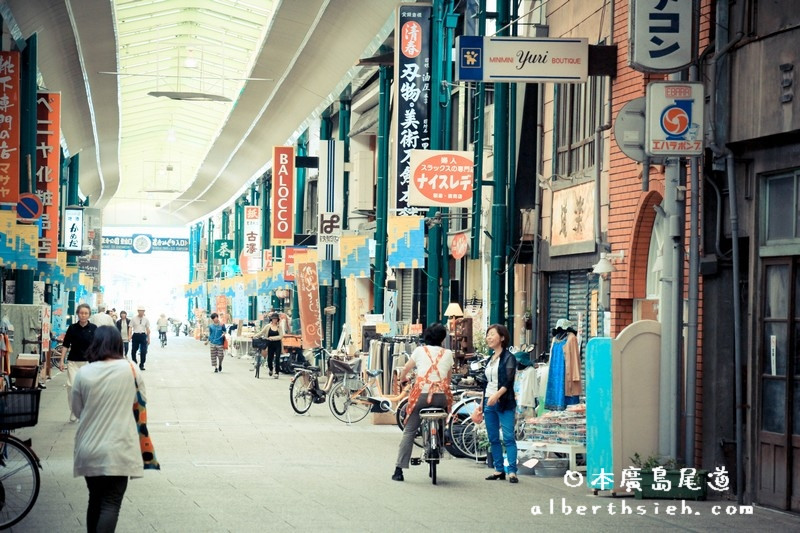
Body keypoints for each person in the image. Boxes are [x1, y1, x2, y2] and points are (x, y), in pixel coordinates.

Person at [71, 325, 144, 532]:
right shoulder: (131, 369)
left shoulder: (84, 373)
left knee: (94, 499)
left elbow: (77, 410)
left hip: (89, 447)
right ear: (118, 344)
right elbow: (141, 404)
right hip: (119, 447)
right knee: (111, 503)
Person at [392, 323, 454, 482]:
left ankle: (399, 469)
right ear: (442, 338)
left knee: (410, 430)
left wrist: (402, 378)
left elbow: (406, 368)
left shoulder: (420, 351)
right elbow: (448, 378)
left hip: (421, 395)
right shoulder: (448, 354)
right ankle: (439, 443)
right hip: (441, 396)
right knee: (441, 417)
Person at [474, 323, 519, 484]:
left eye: (492, 334)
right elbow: (486, 384)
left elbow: (508, 381)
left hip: (504, 401)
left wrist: (497, 395)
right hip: (488, 401)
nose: (488, 337)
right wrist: (481, 403)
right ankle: (499, 469)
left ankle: (512, 471)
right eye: (487, 335)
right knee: (493, 437)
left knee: (508, 437)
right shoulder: (490, 359)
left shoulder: (509, 358)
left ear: (502, 337)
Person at [60, 303, 98, 423]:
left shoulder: (94, 328)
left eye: (86, 313)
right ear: (78, 313)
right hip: (73, 362)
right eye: (81, 313)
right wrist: (61, 360)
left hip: (88, 363)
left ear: (89, 315)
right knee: (71, 386)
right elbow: (66, 345)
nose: (83, 315)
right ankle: (74, 411)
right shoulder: (72, 328)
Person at [254, 313, 283, 379]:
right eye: (273, 319)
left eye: (276, 319)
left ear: (277, 320)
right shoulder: (268, 326)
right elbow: (261, 332)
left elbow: (281, 336)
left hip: (277, 344)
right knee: (270, 358)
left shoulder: (279, 327)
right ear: (271, 319)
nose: (274, 320)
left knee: (277, 358)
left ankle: (277, 372)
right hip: (270, 344)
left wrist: (272, 338)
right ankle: (270, 369)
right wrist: (255, 336)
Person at [130, 306, 151, 371]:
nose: (141, 312)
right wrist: (129, 335)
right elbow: (130, 327)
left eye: (143, 311)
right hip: (136, 335)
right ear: (138, 311)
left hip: (143, 335)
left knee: (143, 351)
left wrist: (148, 339)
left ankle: (142, 364)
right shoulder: (133, 319)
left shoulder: (146, 319)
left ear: (144, 312)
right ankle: (134, 362)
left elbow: (147, 329)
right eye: (140, 311)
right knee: (134, 350)